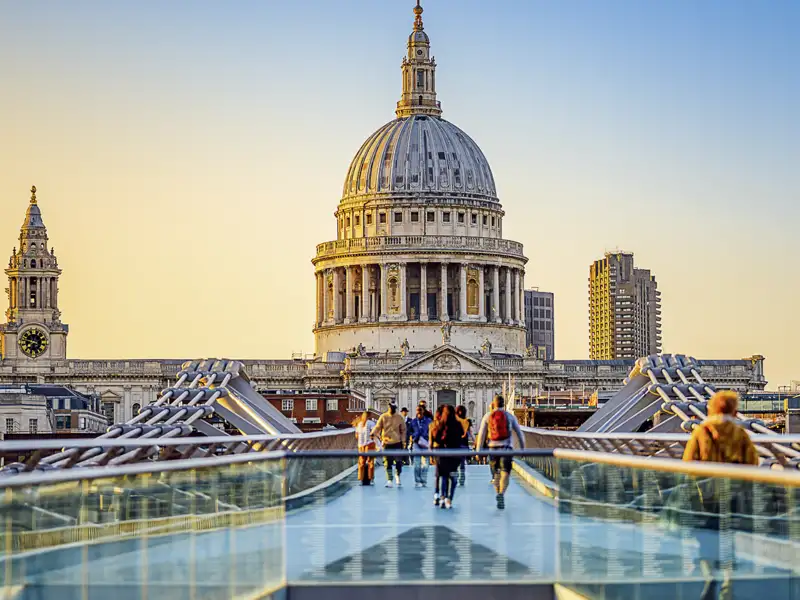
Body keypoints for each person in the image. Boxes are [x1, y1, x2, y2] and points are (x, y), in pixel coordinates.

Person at [682, 390, 758, 600]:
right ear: (735, 411)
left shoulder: (701, 432)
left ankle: (709, 577)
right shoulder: (740, 434)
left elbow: (688, 463)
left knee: (706, 539)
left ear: (711, 409)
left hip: (705, 498)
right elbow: (753, 463)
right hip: (732, 497)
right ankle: (728, 583)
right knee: (728, 539)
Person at [475, 395, 525, 509]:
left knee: (496, 472)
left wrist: (478, 451)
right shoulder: (510, 416)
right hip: (507, 448)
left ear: (493, 404)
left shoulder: (488, 416)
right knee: (505, 472)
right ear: (504, 404)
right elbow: (519, 434)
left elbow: (481, 434)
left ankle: (498, 492)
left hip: (493, 448)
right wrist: (522, 449)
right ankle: (502, 493)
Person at [430, 404, 463, 509]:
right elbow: (461, 436)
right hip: (454, 456)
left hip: (442, 455)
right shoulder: (457, 424)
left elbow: (436, 438)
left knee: (444, 477)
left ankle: (443, 497)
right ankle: (449, 498)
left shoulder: (440, 424)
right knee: (453, 477)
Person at [371, 402, 407, 487]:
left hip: (397, 442)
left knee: (398, 461)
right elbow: (378, 427)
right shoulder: (383, 416)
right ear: (388, 407)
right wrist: (373, 433)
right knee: (388, 462)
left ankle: (397, 475)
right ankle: (389, 480)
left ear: (395, 408)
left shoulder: (399, 417)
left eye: (393, 407)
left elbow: (403, 430)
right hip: (386, 442)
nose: (391, 408)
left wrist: (403, 441)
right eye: (390, 407)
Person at [408, 405, 433, 487]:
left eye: (420, 410)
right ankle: (417, 481)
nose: (418, 411)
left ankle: (424, 480)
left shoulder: (429, 421)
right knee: (417, 463)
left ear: (423, 411)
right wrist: (412, 437)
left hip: (425, 442)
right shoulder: (413, 421)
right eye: (417, 410)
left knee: (426, 463)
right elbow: (409, 431)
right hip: (416, 443)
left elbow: (432, 432)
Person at [354, 411, 377, 486]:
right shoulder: (369, 423)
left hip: (364, 444)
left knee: (362, 462)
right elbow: (374, 433)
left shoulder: (360, 424)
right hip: (367, 444)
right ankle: (370, 479)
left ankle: (363, 479)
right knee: (369, 462)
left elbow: (356, 435)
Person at [454, 405, 472, 486]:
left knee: (458, 463)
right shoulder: (466, 421)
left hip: (457, 444)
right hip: (462, 444)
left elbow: (471, 432)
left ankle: (460, 477)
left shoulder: (454, 420)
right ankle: (460, 478)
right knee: (460, 463)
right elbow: (471, 433)